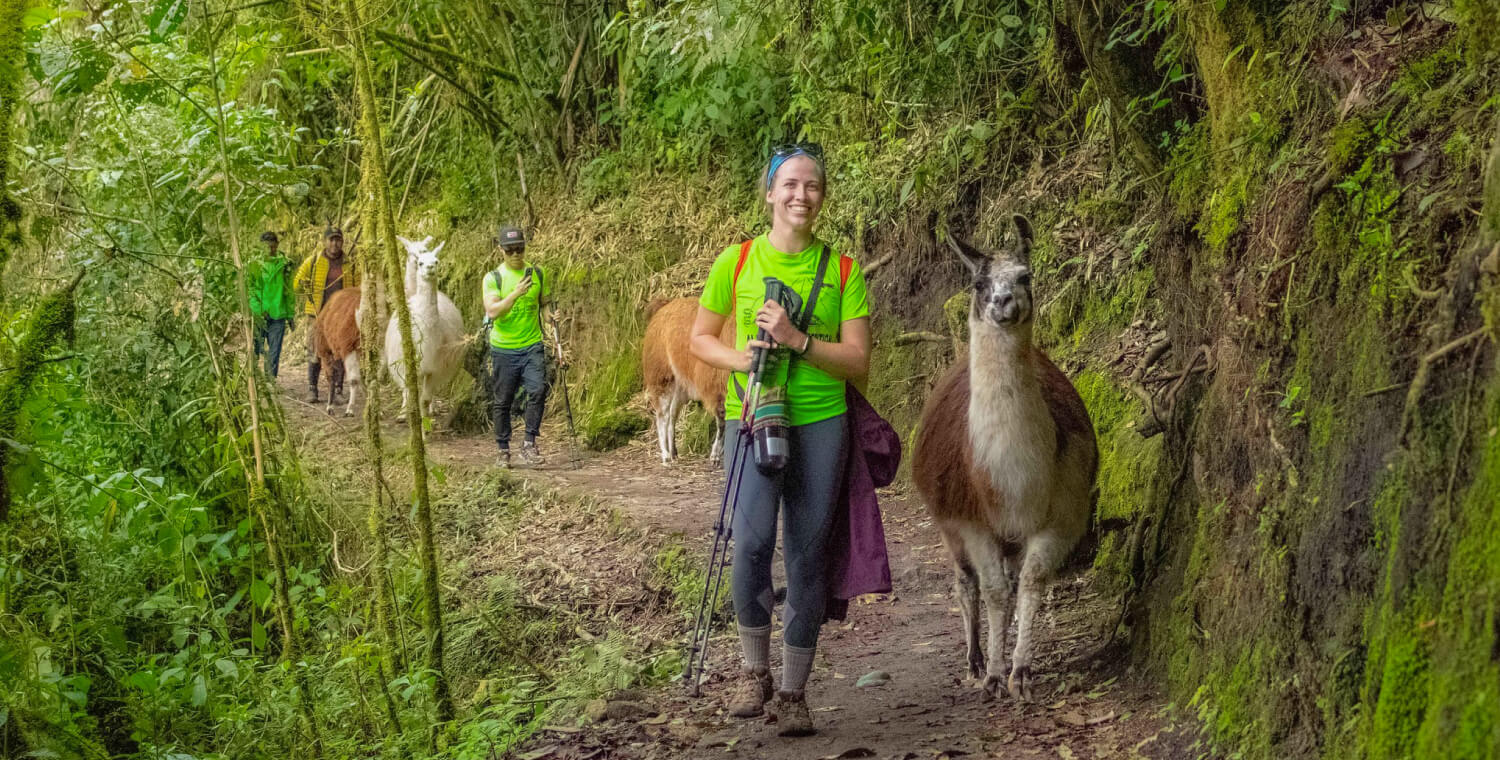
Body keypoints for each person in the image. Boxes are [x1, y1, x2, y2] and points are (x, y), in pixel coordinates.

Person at [688, 143, 871, 736]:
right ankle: (753, 672)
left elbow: (858, 362)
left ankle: (794, 691)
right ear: (769, 193)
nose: (801, 195)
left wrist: (796, 339)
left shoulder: (844, 271)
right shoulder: (735, 263)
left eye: (812, 186)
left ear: (822, 197)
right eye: (789, 184)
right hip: (753, 417)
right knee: (750, 542)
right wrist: (743, 358)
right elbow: (700, 340)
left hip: (821, 421)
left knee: (808, 551)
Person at [482, 225, 553, 468]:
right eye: (510, 250)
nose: (516, 255)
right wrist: (515, 294)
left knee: (537, 391)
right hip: (503, 347)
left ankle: (529, 444)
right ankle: (503, 449)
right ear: (501, 250)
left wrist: (551, 321)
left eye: (520, 249)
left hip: (532, 344)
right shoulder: (494, 278)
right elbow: (493, 311)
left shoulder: (538, 273)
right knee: (503, 400)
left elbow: (544, 303)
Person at [292, 226, 349, 402]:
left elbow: (356, 287)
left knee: (340, 352)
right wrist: (304, 284)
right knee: (315, 351)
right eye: (331, 239)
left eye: (338, 239)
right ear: (325, 242)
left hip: (340, 317)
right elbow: (297, 284)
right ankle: (312, 390)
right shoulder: (314, 261)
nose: (334, 243)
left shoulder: (349, 263)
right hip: (316, 315)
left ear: (342, 242)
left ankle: (338, 391)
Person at [249, 231, 296, 378]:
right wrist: (259, 309)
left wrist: (290, 315)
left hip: (278, 314)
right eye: (267, 247)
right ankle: (255, 382)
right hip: (258, 316)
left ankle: (270, 383)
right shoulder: (253, 265)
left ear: (277, 246)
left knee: (274, 351)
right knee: (255, 350)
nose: (270, 250)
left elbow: (289, 293)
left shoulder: (285, 265)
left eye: (273, 247)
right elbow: (249, 290)